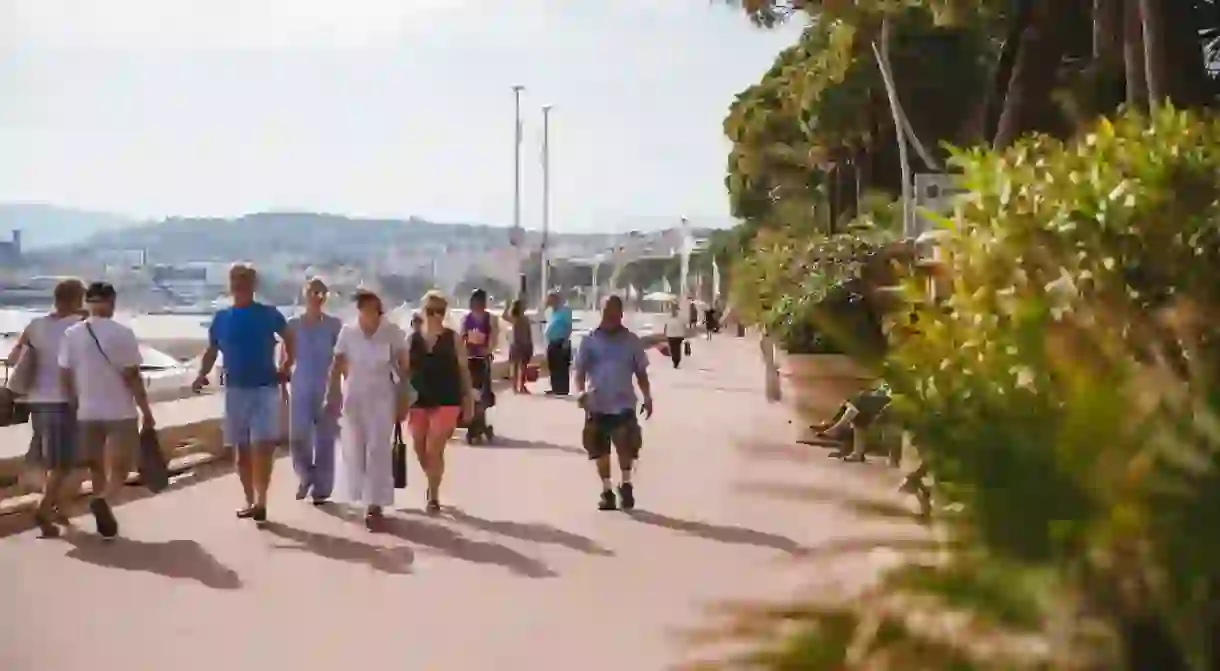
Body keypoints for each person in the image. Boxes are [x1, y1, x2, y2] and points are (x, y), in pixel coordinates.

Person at [192, 264, 294, 524]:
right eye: (236, 279)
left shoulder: (268, 314)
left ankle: (261, 500)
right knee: (241, 450)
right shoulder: (222, 318)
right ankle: (249, 500)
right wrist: (201, 374)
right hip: (235, 389)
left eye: (245, 279)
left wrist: (286, 365)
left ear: (254, 284)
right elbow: (212, 350)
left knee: (262, 446)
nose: (240, 284)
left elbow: (290, 337)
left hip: (264, 388)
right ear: (229, 284)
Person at [59, 282, 156, 539]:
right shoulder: (122, 333)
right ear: (112, 303)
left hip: (87, 411)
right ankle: (103, 500)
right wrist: (146, 410)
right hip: (120, 411)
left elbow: (65, 375)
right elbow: (132, 376)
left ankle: (92, 516)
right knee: (120, 469)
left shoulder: (72, 334)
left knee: (95, 467)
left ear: (88, 303)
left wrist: (74, 404)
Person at [325, 289, 410, 530]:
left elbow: (404, 369)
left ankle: (375, 504)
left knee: (378, 449)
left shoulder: (391, 332)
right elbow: (337, 363)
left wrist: (403, 399)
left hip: (382, 396)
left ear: (378, 308)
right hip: (354, 396)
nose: (367, 311)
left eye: (372, 307)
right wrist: (331, 392)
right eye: (362, 307)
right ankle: (360, 496)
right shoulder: (349, 331)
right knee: (354, 448)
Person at [7, 279, 84, 537]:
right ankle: (43, 509)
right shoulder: (79, 327)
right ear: (77, 299)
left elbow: (12, 358)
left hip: (36, 400)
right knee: (63, 462)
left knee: (51, 458)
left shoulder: (35, 325)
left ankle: (57, 506)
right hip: (64, 401)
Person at [574, 295, 653, 511]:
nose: (611, 317)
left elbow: (641, 372)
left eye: (615, 312)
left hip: (624, 403)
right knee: (600, 451)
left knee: (627, 447)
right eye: (607, 312)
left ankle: (626, 484)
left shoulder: (632, 341)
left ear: (621, 314)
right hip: (596, 403)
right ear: (600, 311)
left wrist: (647, 397)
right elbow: (579, 372)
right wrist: (580, 392)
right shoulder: (588, 341)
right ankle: (607, 490)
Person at [408, 290, 474, 513]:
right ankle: (433, 479)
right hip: (417, 400)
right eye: (430, 311)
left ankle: (433, 495)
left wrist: (469, 399)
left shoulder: (452, 338)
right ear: (422, 312)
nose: (435, 315)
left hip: (447, 399)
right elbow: (402, 370)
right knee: (419, 448)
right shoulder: (412, 339)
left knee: (433, 448)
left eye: (440, 311)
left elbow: (464, 370)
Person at [285, 278, 342, 504]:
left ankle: (322, 489)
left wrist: (340, 388)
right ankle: (305, 475)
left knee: (325, 439)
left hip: (326, 388)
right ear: (304, 295)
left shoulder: (334, 325)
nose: (317, 296)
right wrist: (282, 383)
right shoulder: (292, 325)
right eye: (313, 292)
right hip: (300, 386)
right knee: (298, 436)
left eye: (321, 293)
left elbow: (342, 358)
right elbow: (285, 356)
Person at [460, 289, 498, 406]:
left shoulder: (490, 318)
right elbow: (462, 335)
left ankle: (482, 411)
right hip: (470, 355)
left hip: (483, 356)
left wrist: (488, 349)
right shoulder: (466, 318)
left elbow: (494, 336)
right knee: (470, 385)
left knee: (483, 386)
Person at [543, 292, 573, 396]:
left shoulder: (564, 311)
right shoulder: (552, 311)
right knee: (553, 365)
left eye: (550, 299)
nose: (548, 302)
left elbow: (569, 326)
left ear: (556, 299)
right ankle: (555, 387)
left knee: (562, 366)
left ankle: (563, 389)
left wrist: (565, 340)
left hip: (561, 341)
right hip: (552, 342)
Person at [505, 299, 534, 394]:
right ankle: (517, 387)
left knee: (520, 367)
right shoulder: (516, 318)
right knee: (518, 367)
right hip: (518, 345)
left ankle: (519, 387)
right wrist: (507, 305)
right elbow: (504, 316)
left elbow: (529, 333)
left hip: (521, 344)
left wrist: (530, 344)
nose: (524, 307)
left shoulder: (520, 318)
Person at [662, 304, 688, 369]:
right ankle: (675, 361)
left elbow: (684, 325)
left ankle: (676, 361)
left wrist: (685, 333)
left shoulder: (680, 317)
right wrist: (665, 333)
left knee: (676, 349)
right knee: (674, 349)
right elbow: (665, 326)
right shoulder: (669, 317)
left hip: (677, 335)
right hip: (673, 335)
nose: (674, 311)